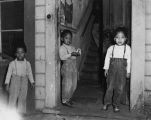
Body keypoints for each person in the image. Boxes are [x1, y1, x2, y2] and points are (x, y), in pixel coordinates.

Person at [103, 27, 131, 112]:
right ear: (114, 39)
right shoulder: (111, 48)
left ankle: (116, 104)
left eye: (122, 37)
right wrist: (106, 69)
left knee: (120, 88)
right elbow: (107, 58)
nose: (120, 39)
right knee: (110, 87)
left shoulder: (128, 48)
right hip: (112, 70)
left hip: (122, 71)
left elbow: (129, 61)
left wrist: (128, 71)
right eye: (117, 37)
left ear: (125, 38)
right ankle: (106, 103)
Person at [5, 44, 35, 113]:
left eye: (22, 52)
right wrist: (7, 83)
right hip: (15, 81)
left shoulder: (27, 63)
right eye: (18, 52)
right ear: (15, 54)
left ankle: (21, 112)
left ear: (25, 53)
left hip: (24, 81)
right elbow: (8, 74)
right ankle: (10, 112)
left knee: (22, 97)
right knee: (13, 97)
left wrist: (32, 82)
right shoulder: (12, 63)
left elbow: (29, 73)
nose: (20, 54)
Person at [59, 29, 81, 107]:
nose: (69, 40)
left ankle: (68, 98)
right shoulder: (62, 48)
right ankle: (64, 100)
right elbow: (62, 57)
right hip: (66, 67)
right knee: (68, 84)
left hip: (73, 67)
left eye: (70, 38)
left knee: (74, 84)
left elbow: (75, 55)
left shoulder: (72, 47)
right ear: (62, 39)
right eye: (66, 38)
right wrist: (71, 54)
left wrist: (78, 52)